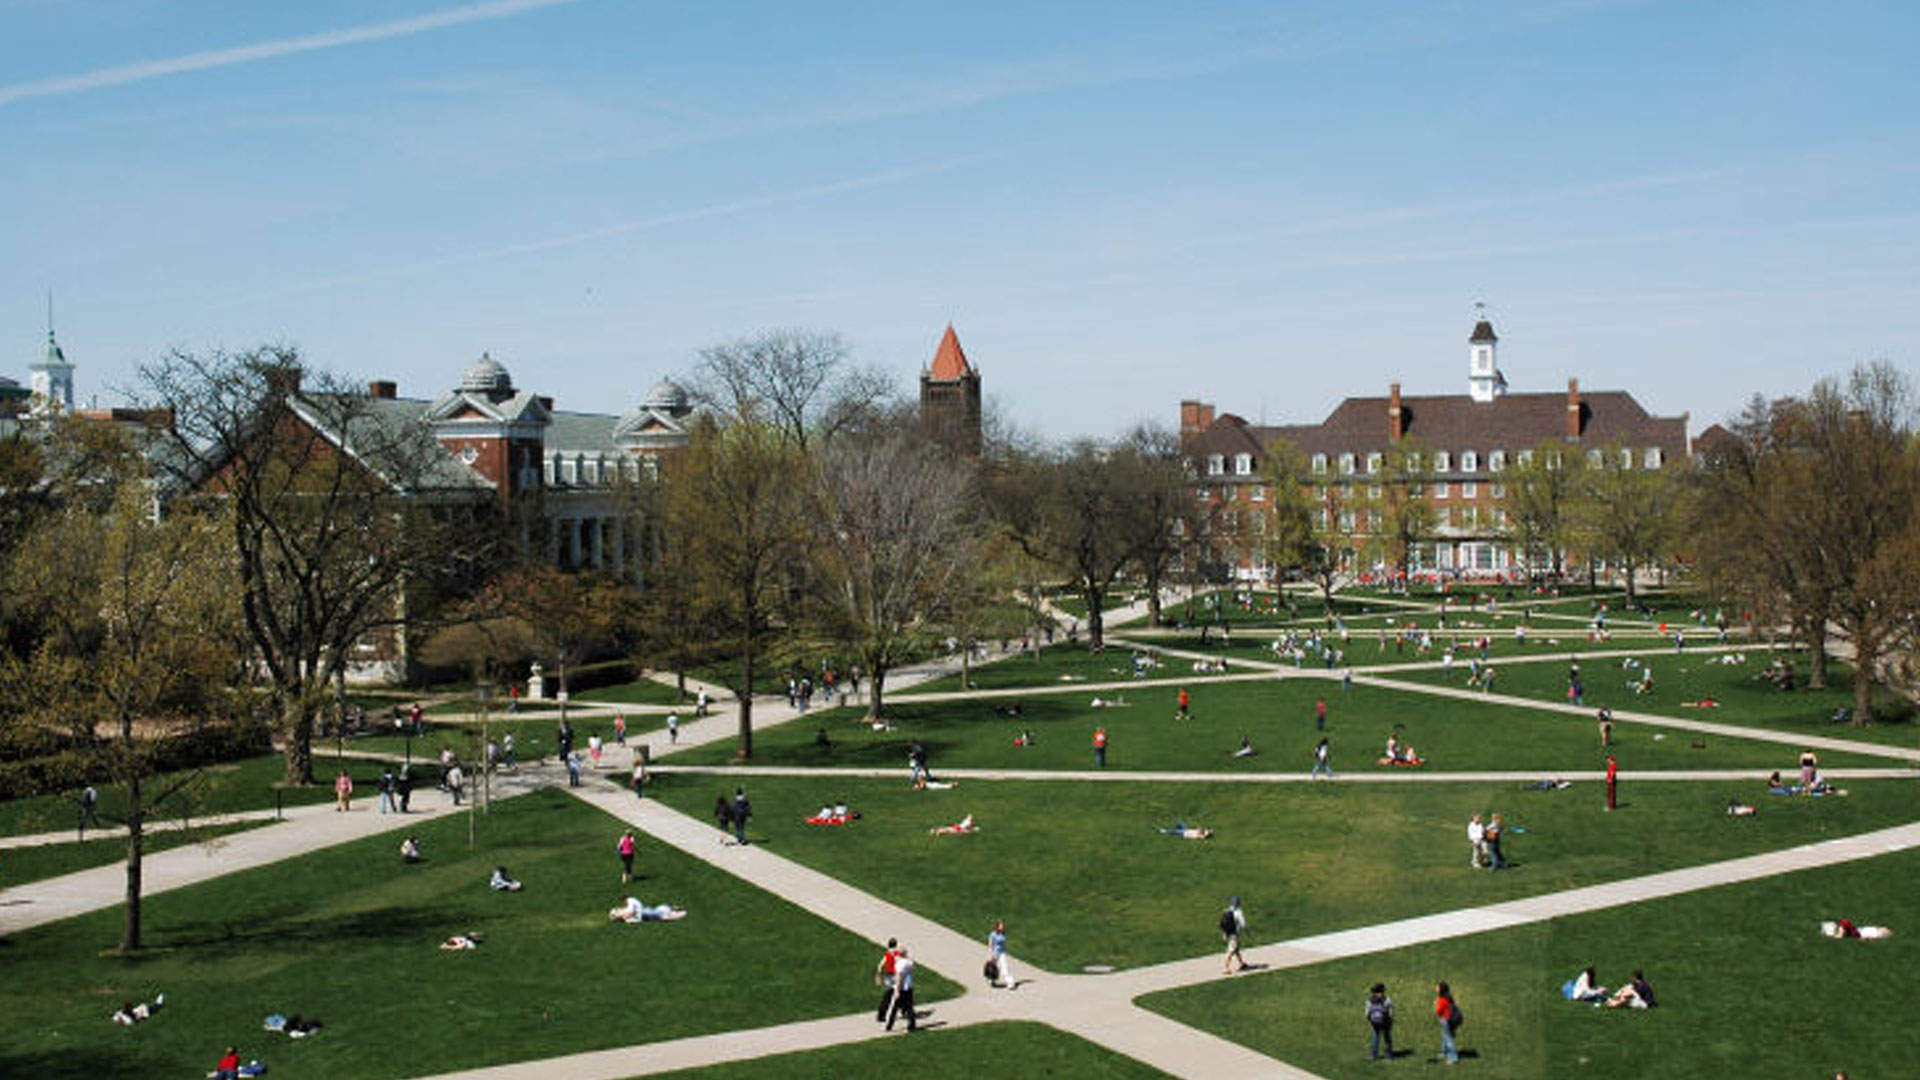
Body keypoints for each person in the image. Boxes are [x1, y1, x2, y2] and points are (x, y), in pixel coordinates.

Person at [886, 947, 918, 1031]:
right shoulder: (910, 962)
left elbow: (899, 977)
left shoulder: (899, 964)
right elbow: (912, 971)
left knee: (894, 1008)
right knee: (909, 1007)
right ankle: (912, 1025)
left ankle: (889, 1026)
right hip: (909, 986)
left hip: (902, 988)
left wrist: (897, 990)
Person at [1365, 982, 1395, 1061]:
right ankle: (1388, 1054)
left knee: (1376, 1037)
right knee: (1387, 1037)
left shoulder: (1370, 1000)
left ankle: (1374, 1054)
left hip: (1375, 1022)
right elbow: (1391, 1011)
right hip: (1386, 1021)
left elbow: (1367, 1012)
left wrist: (1370, 1019)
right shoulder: (1387, 1000)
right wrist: (1391, 1019)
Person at [1434, 982, 1461, 1063]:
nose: (1436, 988)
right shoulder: (1448, 997)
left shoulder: (1442, 1000)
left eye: (1437, 987)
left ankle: (1453, 1057)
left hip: (1446, 1020)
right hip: (1450, 1020)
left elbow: (1438, 1011)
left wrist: (1436, 1004)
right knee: (1445, 1036)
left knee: (1448, 1039)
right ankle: (1445, 1052)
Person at [875, 938, 901, 1022]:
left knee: (887, 995)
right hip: (895, 975)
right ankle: (902, 1010)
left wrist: (878, 976)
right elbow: (899, 963)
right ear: (896, 945)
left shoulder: (887, 954)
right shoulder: (896, 953)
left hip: (887, 976)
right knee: (900, 993)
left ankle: (881, 1015)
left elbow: (880, 966)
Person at [609, 895, 685, 922]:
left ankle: (673, 910)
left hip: (643, 912)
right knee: (657, 912)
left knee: (658, 912)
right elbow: (631, 912)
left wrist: (625, 916)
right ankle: (673, 909)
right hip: (643, 912)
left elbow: (632, 911)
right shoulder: (629, 903)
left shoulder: (630, 901)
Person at [1221, 896, 1247, 974]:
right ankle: (1226, 967)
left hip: (1228, 933)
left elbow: (1224, 923)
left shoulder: (1227, 910)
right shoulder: (1238, 912)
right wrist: (1246, 930)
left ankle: (1241, 963)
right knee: (1231, 950)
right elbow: (1243, 924)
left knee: (1236, 949)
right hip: (1234, 934)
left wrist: (1224, 934)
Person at [988, 918, 1015, 989]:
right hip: (995, 953)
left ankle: (1010, 983)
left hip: (1002, 953)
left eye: (1003, 925)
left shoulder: (1003, 933)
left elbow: (1003, 944)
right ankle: (991, 980)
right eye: (1001, 925)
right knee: (992, 968)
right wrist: (992, 954)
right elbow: (991, 945)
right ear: (997, 926)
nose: (1003, 927)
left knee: (1005, 967)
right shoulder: (993, 934)